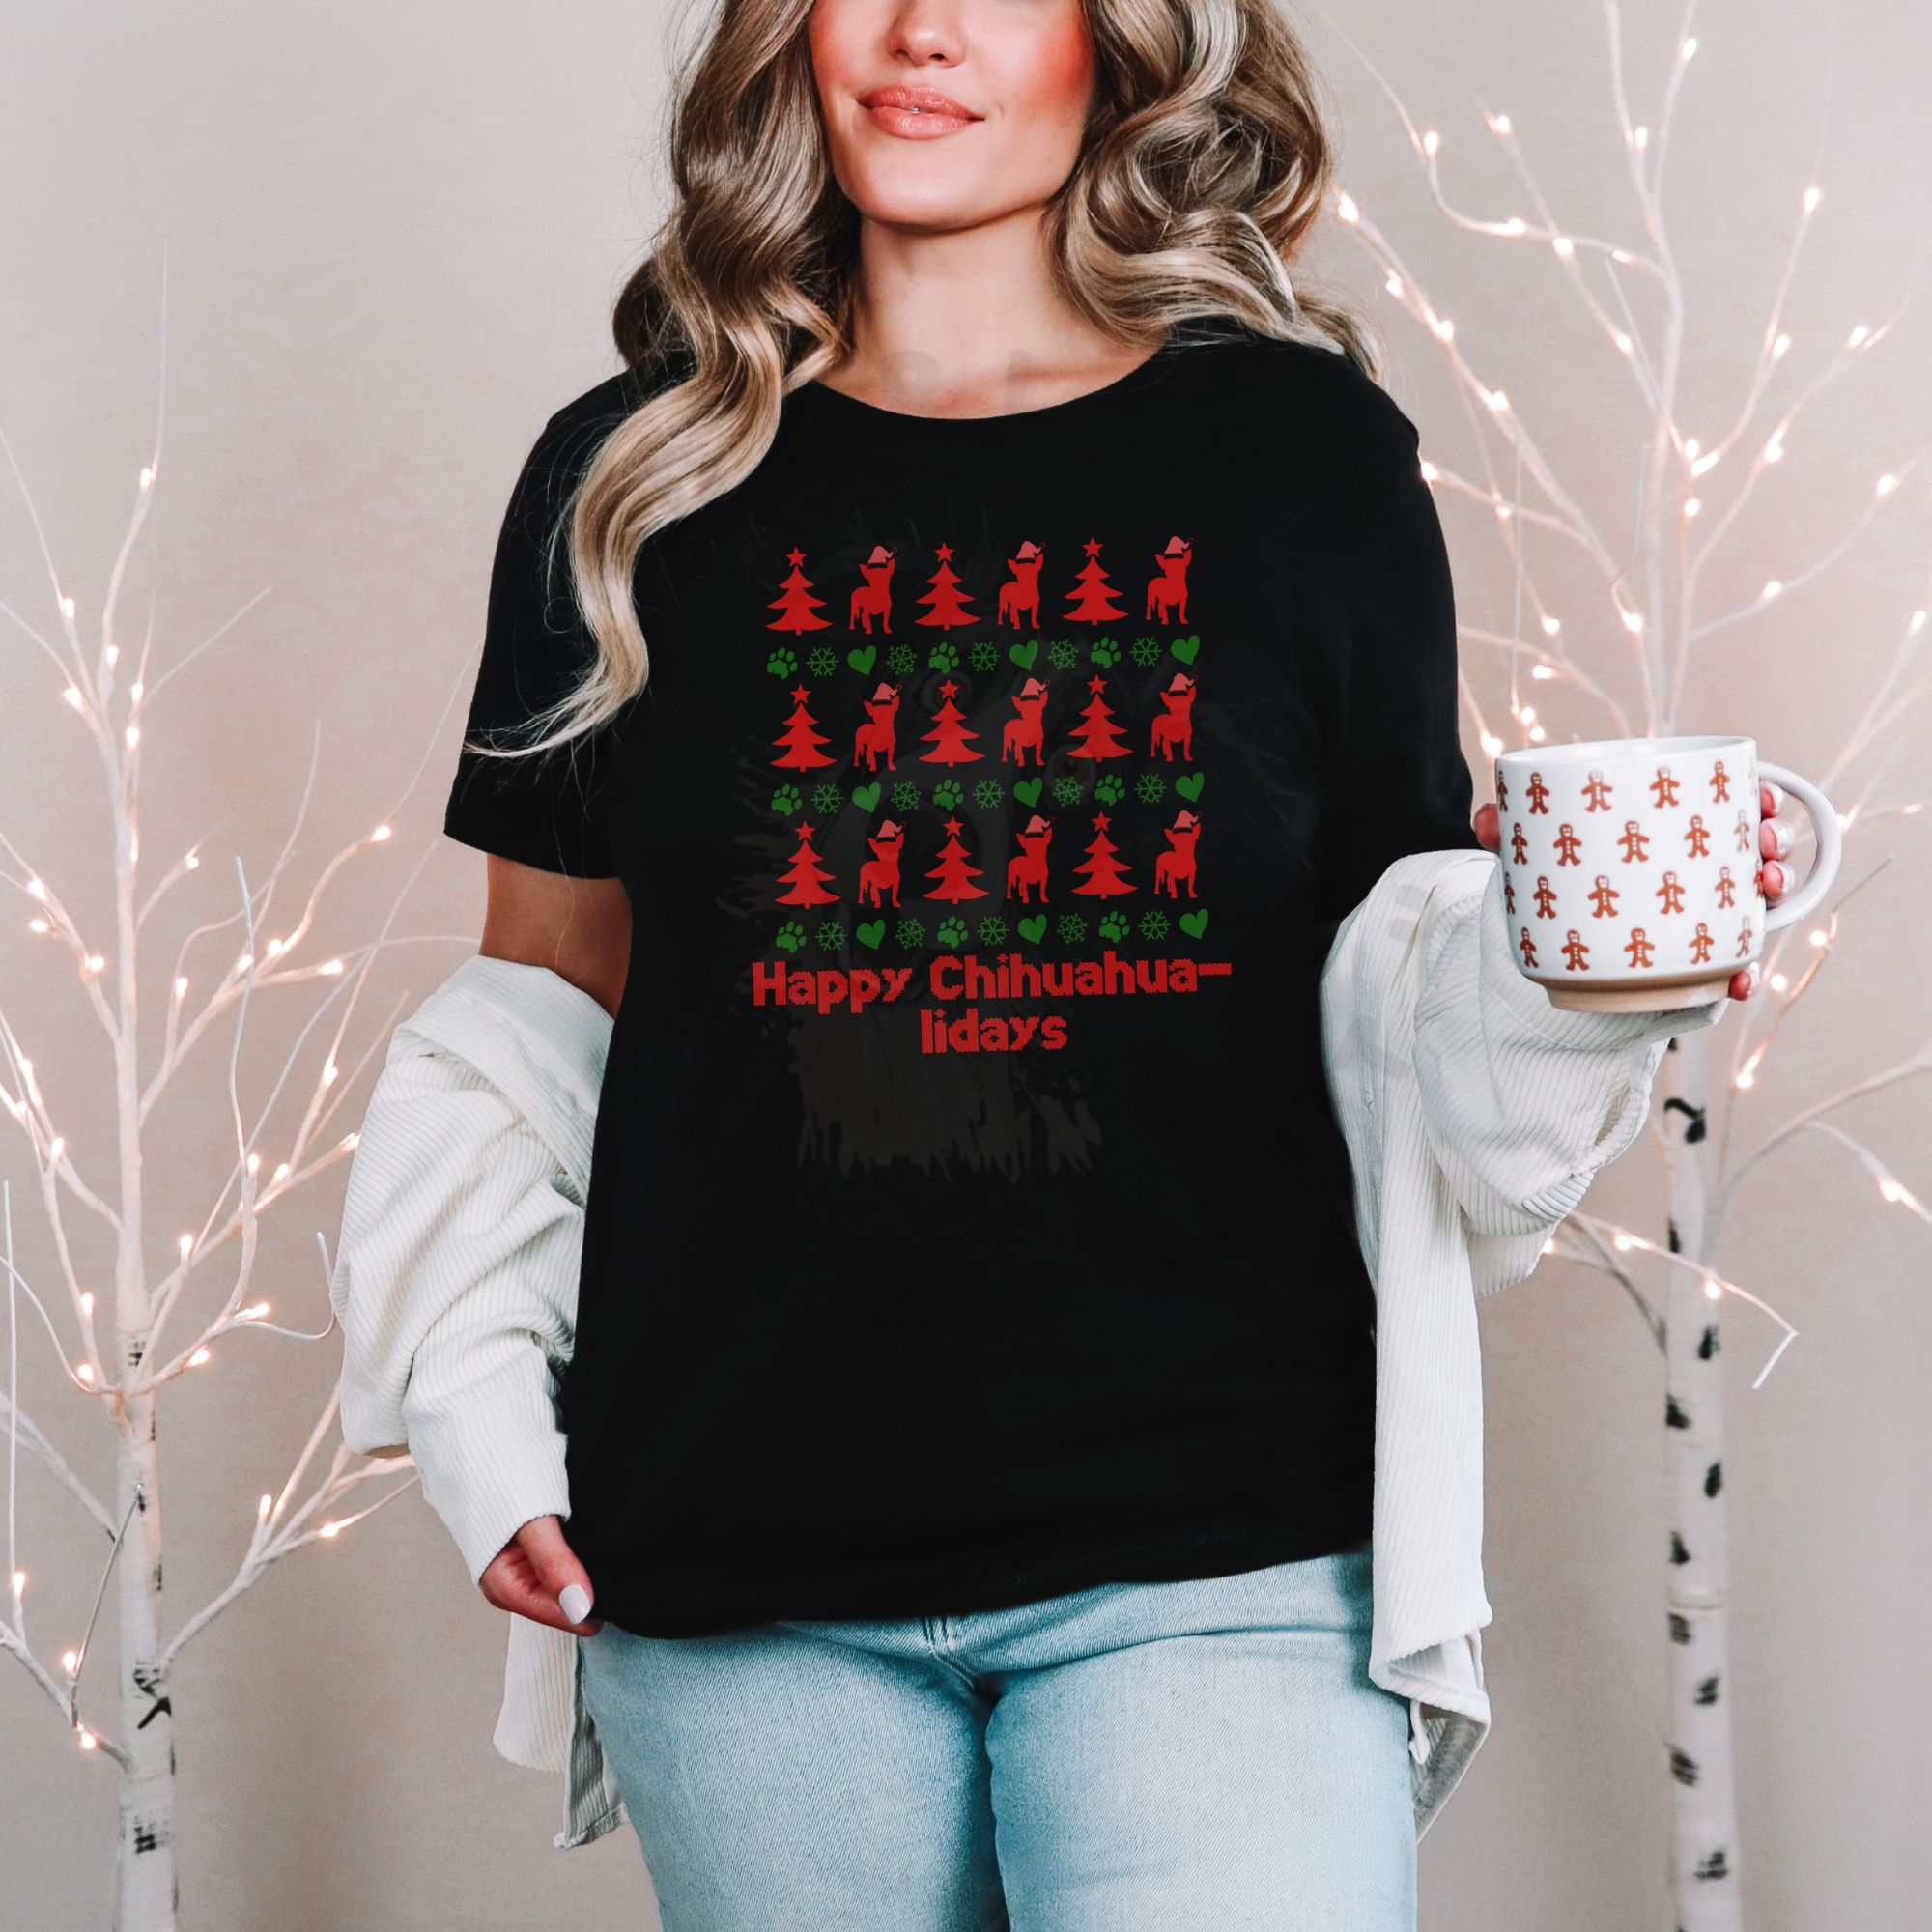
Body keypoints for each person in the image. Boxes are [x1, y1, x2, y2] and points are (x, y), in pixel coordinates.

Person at [426, 0, 1790, 1923]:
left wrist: (1598, 976)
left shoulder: (1304, 459)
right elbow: (534, 1006)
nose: (918, 33)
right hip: (738, 1554)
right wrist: (478, 1407)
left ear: (1121, 44)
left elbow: (1402, 985)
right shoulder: (630, 474)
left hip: (1220, 1545)